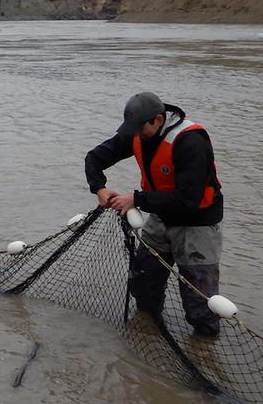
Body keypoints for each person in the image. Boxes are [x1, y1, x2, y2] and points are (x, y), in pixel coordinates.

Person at [85, 92, 224, 337]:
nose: (136, 134)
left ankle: (203, 347)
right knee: (144, 285)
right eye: (132, 129)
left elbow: (189, 200)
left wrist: (136, 199)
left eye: (140, 128)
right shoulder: (136, 133)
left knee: (199, 305)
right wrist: (100, 187)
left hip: (197, 225)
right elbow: (95, 158)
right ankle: (147, 334)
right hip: (160, 218)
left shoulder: (190, 141)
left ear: (158, 120)